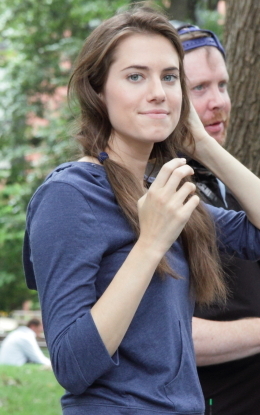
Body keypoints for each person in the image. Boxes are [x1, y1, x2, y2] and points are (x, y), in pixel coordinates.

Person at [22, 6, 260, 415]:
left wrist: (203, 145)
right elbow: (71, 366)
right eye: (136, 76)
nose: (158, 92)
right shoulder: (68, 196)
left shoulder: (164, 191)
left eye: (169, 77)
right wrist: (150, 243)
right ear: (98, 91)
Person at [178, 25, 260, 415]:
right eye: (199, 88)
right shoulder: (157, 188)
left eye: (223, 85)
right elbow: (165, 334)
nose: (218, 103)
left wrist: (209, 153)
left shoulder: (226, 185)